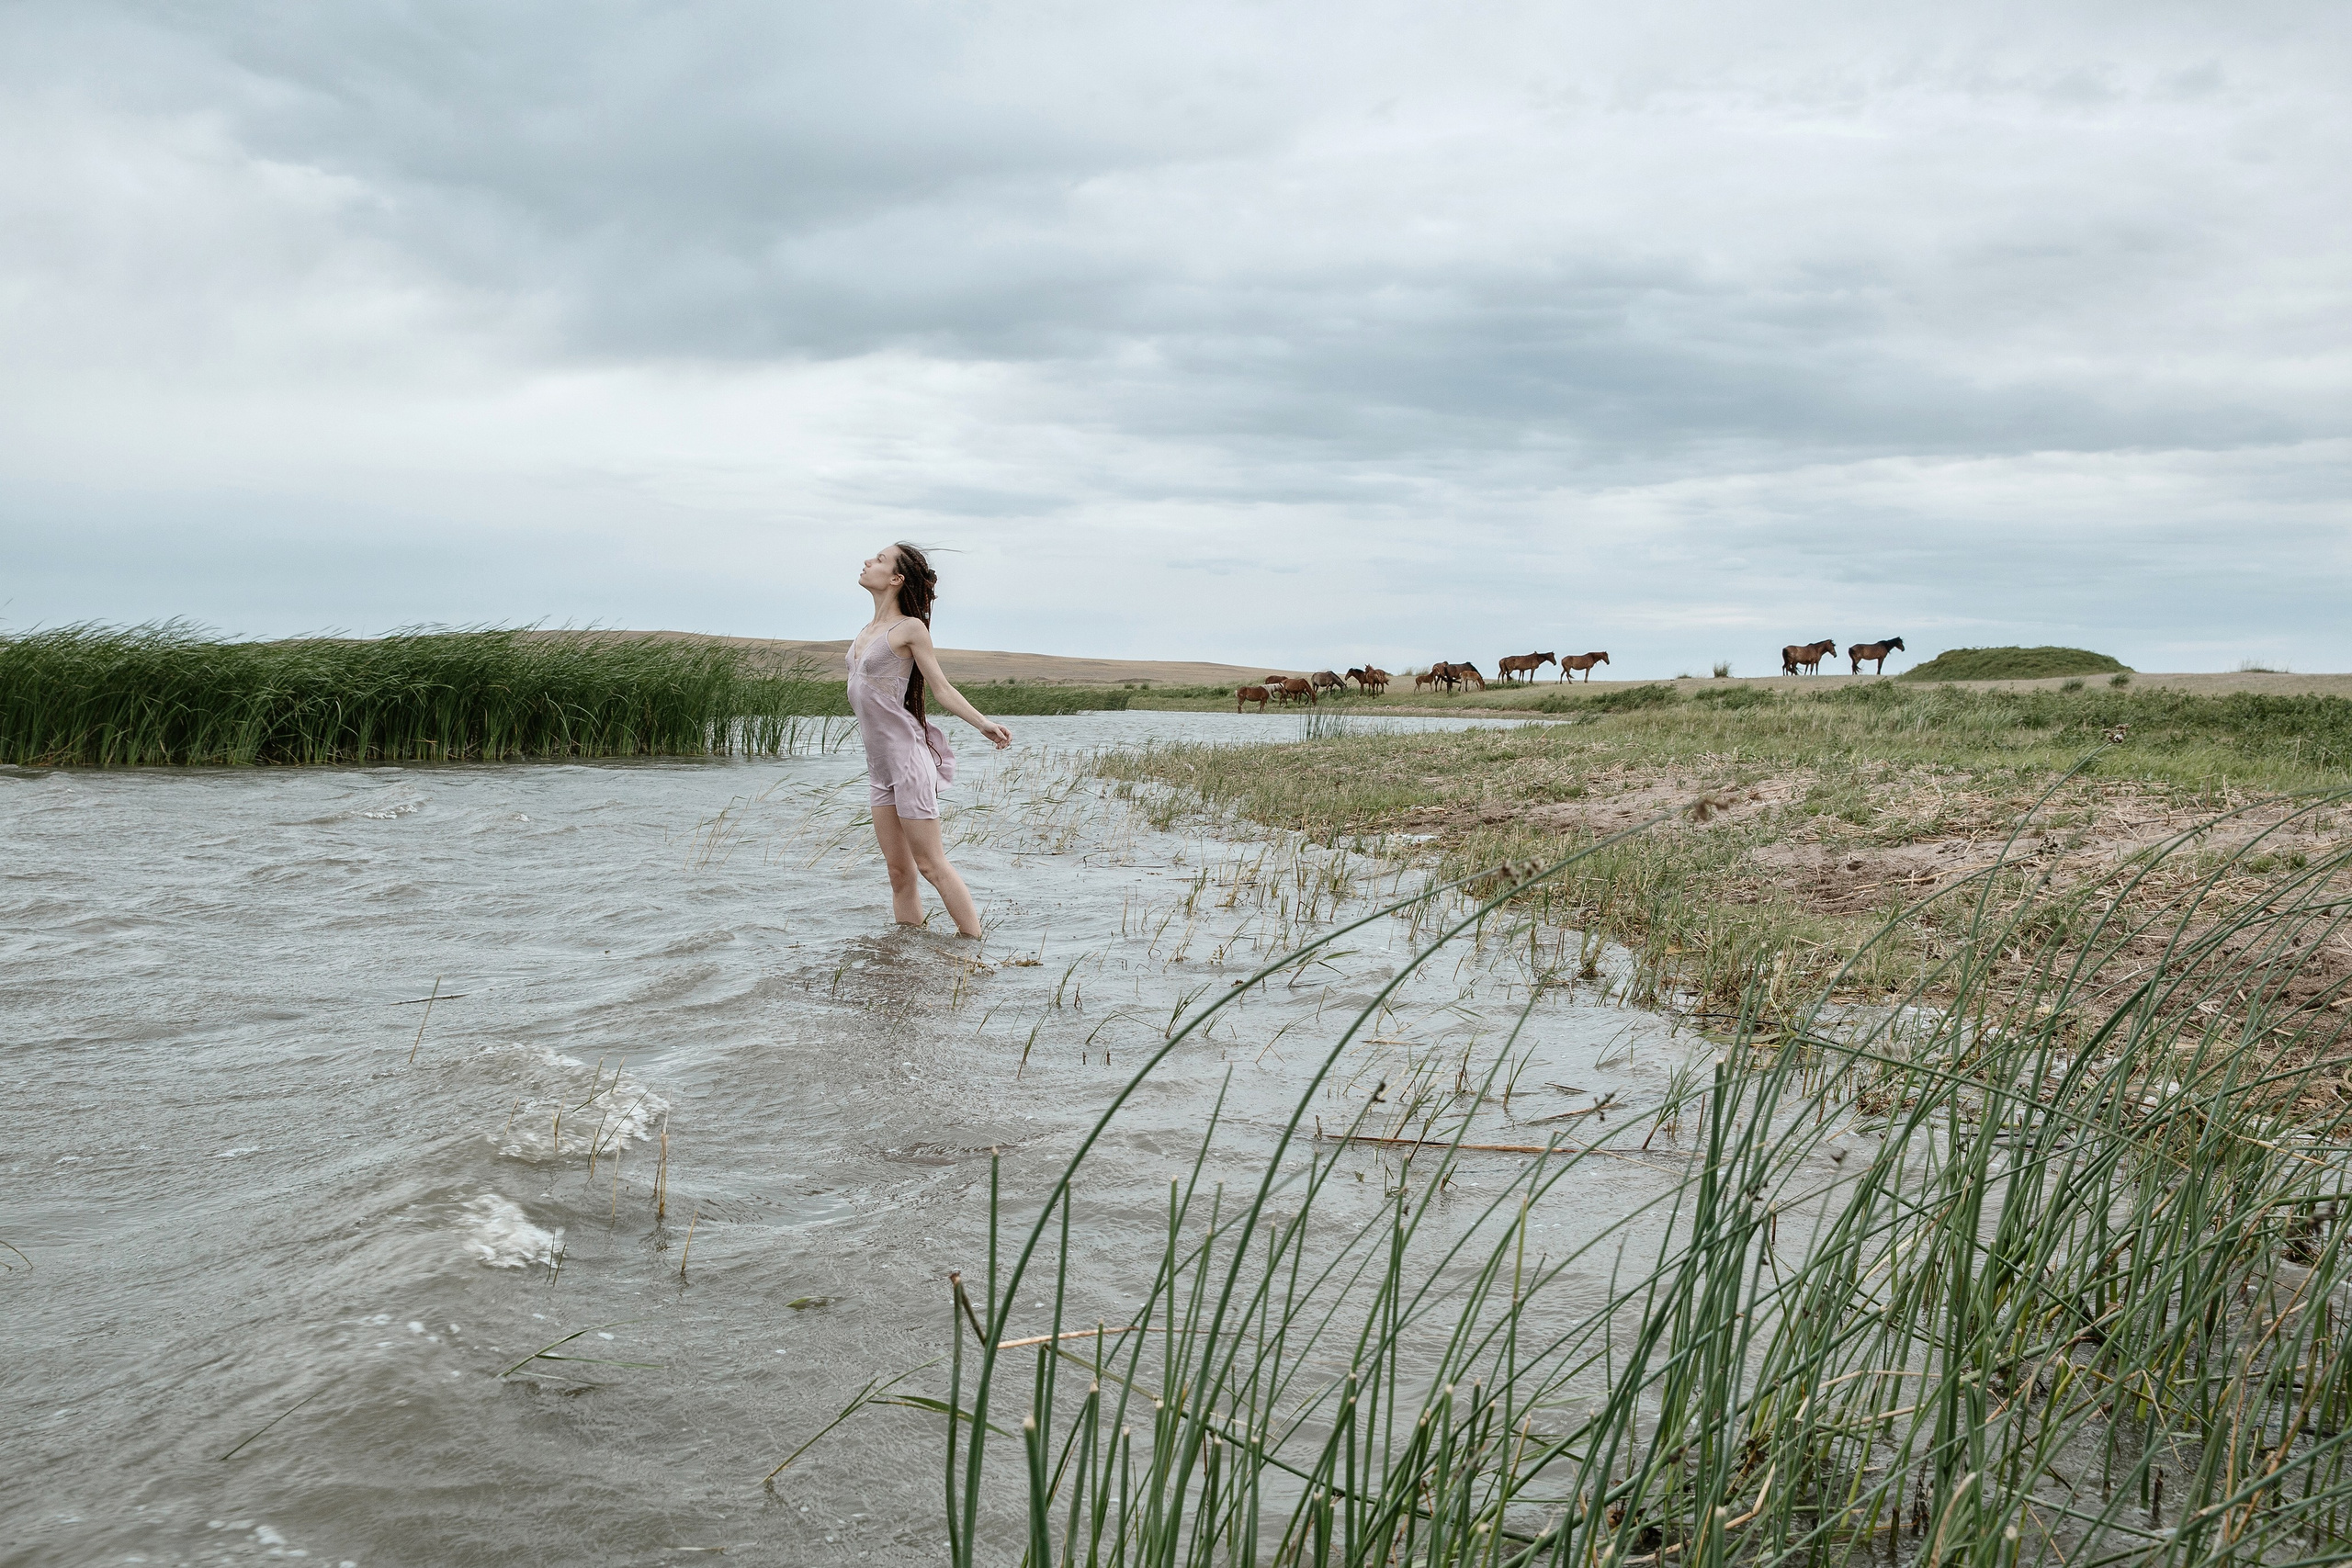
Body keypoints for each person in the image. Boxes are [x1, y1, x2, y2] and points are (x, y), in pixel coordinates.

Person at [848, 543, 1011, 937]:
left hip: (908, 762)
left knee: (930, 865)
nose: (868, 561)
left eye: (880, 560)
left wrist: (982, 724)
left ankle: (974, 948)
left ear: (896, 579)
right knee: (898, 872)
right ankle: (909, 959)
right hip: (879, 768)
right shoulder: (865, 631)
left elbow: (941, 687)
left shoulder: (910, 628)